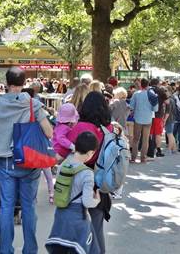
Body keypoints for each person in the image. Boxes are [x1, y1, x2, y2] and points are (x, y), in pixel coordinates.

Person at [0, 67, 53, 254]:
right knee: (28, 206)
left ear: (7, 82)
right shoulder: (32, 104)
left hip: (6, 161)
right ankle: (30, 249)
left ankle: (5, 249)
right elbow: (49, 131)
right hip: (28, 160)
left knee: (6, 206)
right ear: (23, 82)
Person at [67, 92, 113, 253]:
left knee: (75, 222)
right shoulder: (109, 128)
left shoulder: (79, 127)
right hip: (100, 179)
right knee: (97, 224)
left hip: (79, 178)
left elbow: (69, 150)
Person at [45, 131, 101, 253]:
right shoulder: (87, 173)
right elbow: (86, 202)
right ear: (91, 153)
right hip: (77, 218)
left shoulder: (63, 165)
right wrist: (96, 200)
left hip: (60, 216)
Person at [129, 78, 158, 163]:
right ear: (148, 85)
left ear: (141, 85)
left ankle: (133, 157)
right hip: (148, 119)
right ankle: (143, 158)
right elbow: (155, 109)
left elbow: (131, 106)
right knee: (145, 139)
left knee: (136, 139)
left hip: (138, 118)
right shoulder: (152, 94)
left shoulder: (136, 94)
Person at [149, 79, 167, 158]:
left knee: (149, 133)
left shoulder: (148, 90)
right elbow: (168, 102)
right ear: (158, 83)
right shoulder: (161, 91)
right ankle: (158, 150)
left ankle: (149, 149)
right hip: (158, 114)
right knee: (158, 134)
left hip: (149, 114)